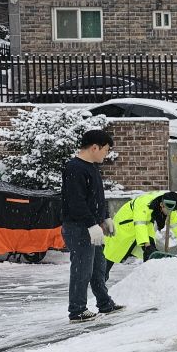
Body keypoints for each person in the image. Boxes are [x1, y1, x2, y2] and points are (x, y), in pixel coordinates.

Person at [60, 130, 120, 322]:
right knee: (82, 269)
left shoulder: (92, 167)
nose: (106, 154)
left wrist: (106, 218)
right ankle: (77, 310)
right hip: (79, 228)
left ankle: (104, 303)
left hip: (92, 226)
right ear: (95, 147)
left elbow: (96, 198)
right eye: (106, 150)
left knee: (98, 267)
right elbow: (76, 201)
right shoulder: (74, 168)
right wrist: (90, 224)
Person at [103, 190, 177, 272]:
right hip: (125, 225)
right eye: (169, 211)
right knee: (111, 254)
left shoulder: (169, 204)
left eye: (172, 211)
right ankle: (100, 277)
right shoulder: (144, 204)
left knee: (151, 253)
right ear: (161, 204)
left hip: (145, 225)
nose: (170, 213)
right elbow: (140, 224)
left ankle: (149, 276)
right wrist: (146, 244)